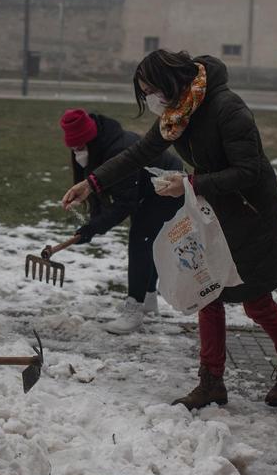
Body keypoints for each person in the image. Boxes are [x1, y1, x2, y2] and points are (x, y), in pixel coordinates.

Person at [61, 50, 277, 409]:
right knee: (207, 293)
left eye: (150, 89)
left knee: (255, 300)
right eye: (144, 91)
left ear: (170, 82)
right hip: (212, 208)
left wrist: (190, 183)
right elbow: (140, 153)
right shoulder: (178, 114)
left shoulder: (227, 109)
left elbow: (249, 172)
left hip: (249, 213)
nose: (149, 98)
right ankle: (211, 382)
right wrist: (93, 183)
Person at [58, 108, 183, 334]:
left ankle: (134, 311)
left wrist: (92, 228)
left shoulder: (117, 149)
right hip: (145, 189)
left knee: (141, 241)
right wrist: (93, 224)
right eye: (73, 149)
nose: (76, 153)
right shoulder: (95, 146)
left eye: (79, 147)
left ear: (90, 141)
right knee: (147, 239)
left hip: (167, 184)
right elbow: (97, 189)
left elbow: (125, 204)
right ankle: (148, 299)